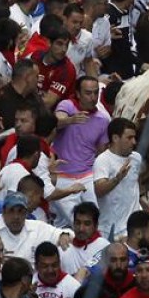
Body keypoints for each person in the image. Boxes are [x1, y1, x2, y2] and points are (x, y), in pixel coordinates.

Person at [50, 76, 111, 227]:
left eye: (95, 93)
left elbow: (101, 151)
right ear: (77, 93)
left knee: (96, 218)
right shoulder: (67, 105)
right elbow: (56, 121)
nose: (92, 97)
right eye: (88, 93)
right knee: (72, 221)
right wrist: (70, 120)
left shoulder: (103, 119)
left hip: (88, 176)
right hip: (62, 176)